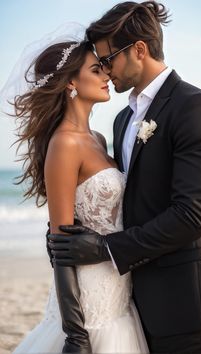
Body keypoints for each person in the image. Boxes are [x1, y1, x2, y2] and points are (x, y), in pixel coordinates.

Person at [48, 1, 201, 353]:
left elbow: (191, 216)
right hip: (130, 303)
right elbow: (127, 199)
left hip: (183, 305)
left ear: (138, 50)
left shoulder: (197, 107)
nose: (105, 70)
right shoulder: (121, 121)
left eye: (107, 59)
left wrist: (104, 248)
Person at [9, 38, 148, 353]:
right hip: (88, 303)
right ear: (71, 81)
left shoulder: (97, 139)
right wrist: (75, 334)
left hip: (117, 291)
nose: (106, 76)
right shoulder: (64, 144)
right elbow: (60, 243)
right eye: (97, 70)